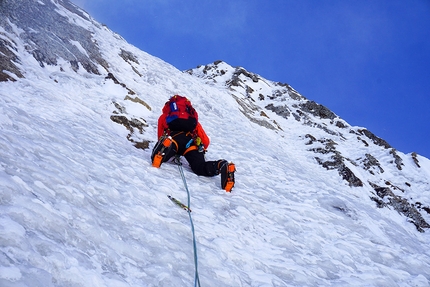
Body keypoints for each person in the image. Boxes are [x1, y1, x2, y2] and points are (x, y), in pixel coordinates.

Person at [151, 95, 235, 192]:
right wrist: (201, 149)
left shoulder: (164, 116)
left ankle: (162, 152)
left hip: (173, 140)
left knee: (164, 152)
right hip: (191, 143)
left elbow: (160, 137)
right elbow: (205, 141)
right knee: (199, 167)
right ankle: (221, 165)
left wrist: (166, 144)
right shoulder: (191, 118)